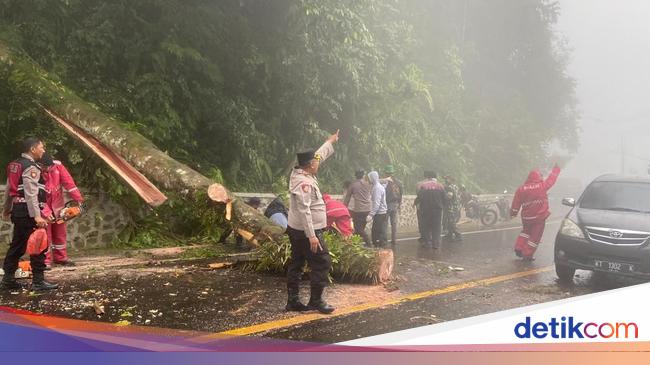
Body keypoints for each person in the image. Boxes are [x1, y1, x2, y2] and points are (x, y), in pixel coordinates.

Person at [286, 130, 339, 314]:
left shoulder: (303, 172)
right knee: (322, 262)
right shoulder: (303, 183)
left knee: (297, 263)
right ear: (309, 165)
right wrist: (312, 236)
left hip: (296, 229)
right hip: (306, 231)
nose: (318, 163)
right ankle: (316, 301)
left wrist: (329, 142)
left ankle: (292, 301)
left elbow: (318, 156)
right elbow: (304, 210)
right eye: (315, 163)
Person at [1, 137, 58, 291]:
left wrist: (6, 209)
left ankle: (7, 280)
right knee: (39, 244)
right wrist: (37, 216)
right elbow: (30, 194)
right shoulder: (31, 167)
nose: (43, 150)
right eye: (41, 147)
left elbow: (9, 189)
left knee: (17, 246)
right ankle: (38, 282)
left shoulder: (15, 164)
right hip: (28, 212)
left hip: (18, 211)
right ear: (33, 149)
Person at [40, 153, 84, 267]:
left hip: (58, 206)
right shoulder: (34, 170)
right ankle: (45, 261)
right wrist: (45, 211)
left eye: (48, 167)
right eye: (44, 167)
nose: (46, 169)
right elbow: (35, 194)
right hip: (43, 206)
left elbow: (69, 183)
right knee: (46, 234)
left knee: (60, 233)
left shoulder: (58, 166)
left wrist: (78, 199)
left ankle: (61, 257)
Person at [510, 164, 561, 261]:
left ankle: (519, 248)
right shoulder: (542, 186)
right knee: (535, 237)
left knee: (525, 232)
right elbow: (551, 180)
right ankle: (527, 254)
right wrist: (556, 169)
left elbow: (516, 203)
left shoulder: (521, 189)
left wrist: (513, 213)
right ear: (538, 177)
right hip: (539, 218)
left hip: (526, 218)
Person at [414, 170, 446, 249]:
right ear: (435, 177)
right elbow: (444, 198)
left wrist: (415, 203)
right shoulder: (440, 186)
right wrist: (442, 206)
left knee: (426, 226)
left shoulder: (424, 186)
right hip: (437, 210)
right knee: (437, 227)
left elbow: (419, 196)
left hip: (426, 209)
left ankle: (427, 242)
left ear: (428, 177)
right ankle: (436, 244)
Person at [343, 170, 372, 245]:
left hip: (359, 210)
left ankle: (369, 243)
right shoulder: (368, 184)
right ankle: (355, 244)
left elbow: (347, 198)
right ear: (363, 175)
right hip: (368, 209)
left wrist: (344, 208)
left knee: (358, 228)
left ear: (355, 176)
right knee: (360, 228)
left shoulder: (353, 185)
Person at [383, 165, 403, 245]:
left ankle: (384, 240)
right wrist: (399, 204)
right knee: (394, 223)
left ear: (386, 173)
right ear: (392, 173)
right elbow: (401, 194)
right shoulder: (398, 182)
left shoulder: (385, 182)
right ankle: (394, 239)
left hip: (387, 204)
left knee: (384, 223)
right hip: (395, 204)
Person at [367, 171, 388, 247]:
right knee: (380, 231)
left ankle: (379, 248)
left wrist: (371, 214)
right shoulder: (378, 186)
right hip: (382, 213)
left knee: (376, 232)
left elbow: (376, 203)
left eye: (369, 178)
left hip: (379, 213)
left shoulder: (377, 188)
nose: (368, 180)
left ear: (372, 178)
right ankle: (381, 246)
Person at [443, 175, 462, 242]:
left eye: (446, 179)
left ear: (451, 180)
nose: (445, 180)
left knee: (451, 221)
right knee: (449, 221)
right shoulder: (456, 187)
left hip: (451, 207)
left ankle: (458, 235)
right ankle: (450, 234)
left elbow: (449, 196)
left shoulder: (450, 187)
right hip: (455, 206)